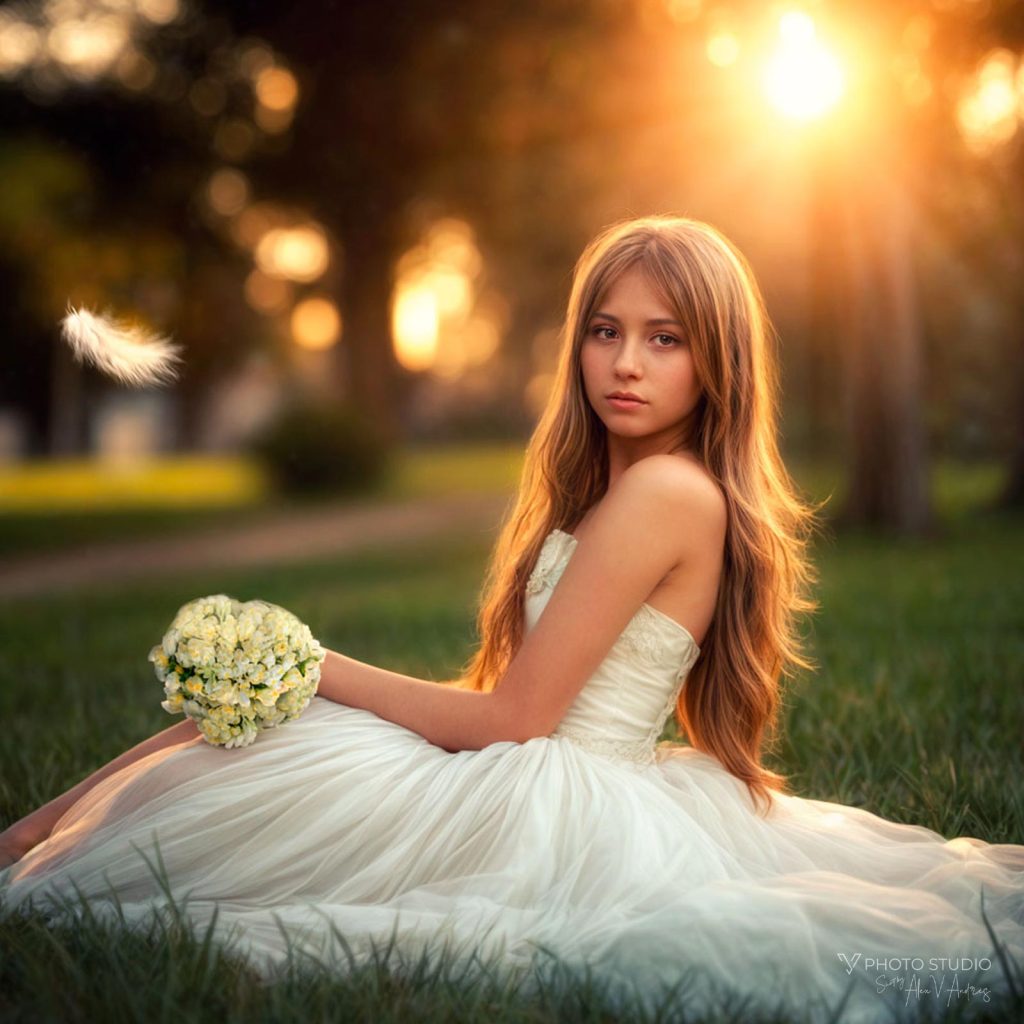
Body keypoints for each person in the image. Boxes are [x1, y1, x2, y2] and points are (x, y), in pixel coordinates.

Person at [1, 215, 1022, 1023]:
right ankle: (38, 830)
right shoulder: (619, 491)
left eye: (665, 340)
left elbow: (518, 718)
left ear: (716, 363)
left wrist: (311, 662)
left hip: (557, 791)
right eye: (605, 329)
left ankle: (35, 840)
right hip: (532, 760)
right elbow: (510, 706)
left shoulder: (667, 493)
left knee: (292, 721)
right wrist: (295, 679)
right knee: (264, 722)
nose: (626, 361)